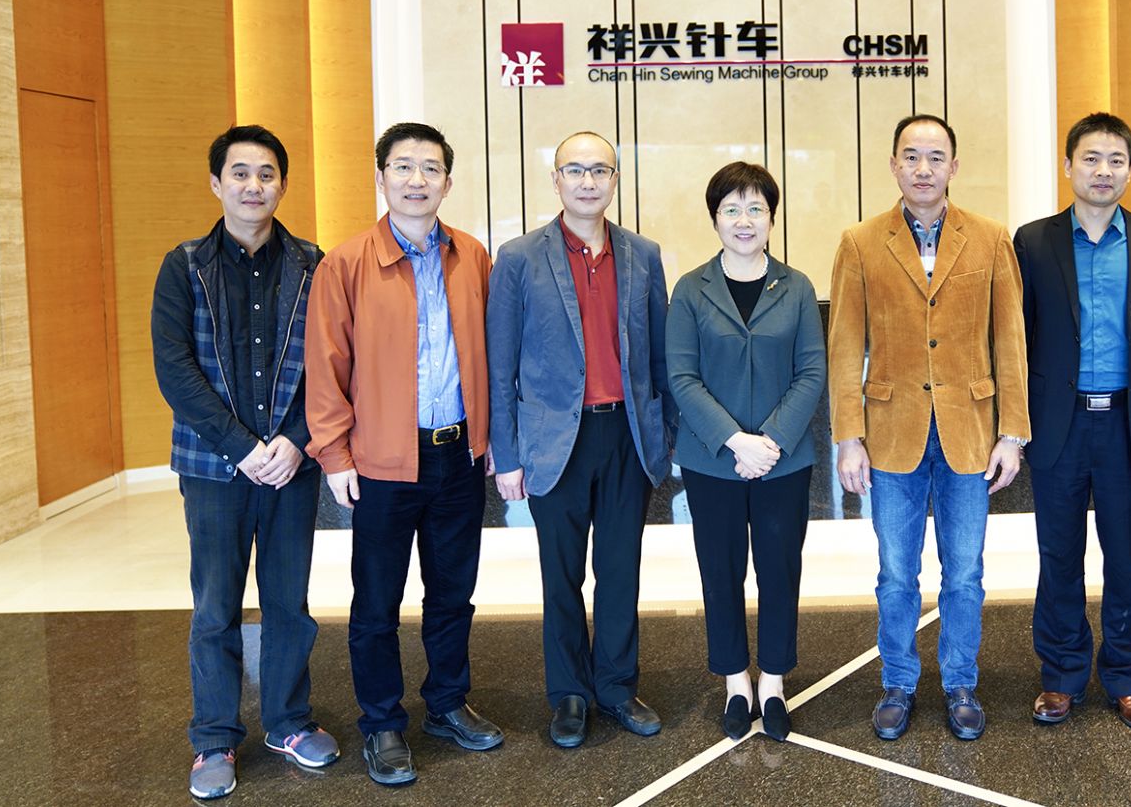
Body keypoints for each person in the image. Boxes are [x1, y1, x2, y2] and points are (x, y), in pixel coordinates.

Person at [305, 123, 502, 786]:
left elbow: (492, 355)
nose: (417, 179)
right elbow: (325, 365)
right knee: (377, 603)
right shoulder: (346, 262)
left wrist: (491, 439)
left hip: (457, 456)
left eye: (430, 168)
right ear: (381, 177)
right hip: (382, 463)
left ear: (448, 180)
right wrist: (334, 454)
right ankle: (383, 722)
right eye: (403, 166)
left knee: (452, 594)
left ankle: (446, 702)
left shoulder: (472, 256)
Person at [828, 113, 1030, 742]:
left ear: (954, 167)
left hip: (971, 431)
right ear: (893, 165)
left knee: (964, 572)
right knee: (896, 573)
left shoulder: (991, 238)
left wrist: (1013, 433)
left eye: (935, 157)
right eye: (911, 156)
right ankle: (897, 682)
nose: (923, 168)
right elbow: (844, 345)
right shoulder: (861, 242)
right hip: (892, 432)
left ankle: (961, 683)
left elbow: (1010, 339)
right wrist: (848, 436)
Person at [151, 125, 337, 800]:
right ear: (216, 183)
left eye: (266, 174)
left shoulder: (314, 263)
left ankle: (288, 722)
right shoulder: (185, 265)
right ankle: (214, 737)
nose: (253, 185)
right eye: (240, 173)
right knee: (215, 607)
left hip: (291, 465)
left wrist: (295, 440)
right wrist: (242, 447)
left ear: (282, 184)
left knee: (289, 601)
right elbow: (175, 369)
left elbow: (331, 362)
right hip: (213, 468)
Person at [486, 131, 676, 749]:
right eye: (575, 170)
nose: (588, 181)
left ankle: (616, 687)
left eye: (600, 170)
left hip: (627, 435)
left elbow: (661, 355)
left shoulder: (643, 254)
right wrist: (507, 455)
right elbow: (499, 367)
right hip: (554, 443)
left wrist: (665, 435)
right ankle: (569, 693)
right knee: (561, 575)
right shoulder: (518, 258)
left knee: (620, 571)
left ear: (615, 180)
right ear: (556, 179)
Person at [1011, 112, 1131, 733]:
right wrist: (1014, 422)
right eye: (1090, 158)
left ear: (1130, 170)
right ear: (1068, 166)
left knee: (1127, 555)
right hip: (1057, 425)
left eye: (1116, 160)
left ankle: (1126, 676)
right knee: (1058, 554)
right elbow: (1016, 338)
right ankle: (1061, 675)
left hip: (1127, 424)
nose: (1103, 170)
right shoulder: (1033, 242)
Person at [666, 162, 826, 742]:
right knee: (721, 571)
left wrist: (771, 441)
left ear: (772, 219)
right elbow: (681, 377)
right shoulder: (691, 289)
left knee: (780, 571)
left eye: (756, 208)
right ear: (715, 219)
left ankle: (775, 683)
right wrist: (736, 441)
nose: (744, 220)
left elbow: (812, 372)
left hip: (784, 461)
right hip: (713, 461)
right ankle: (736, 683)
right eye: (731, 209)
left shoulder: (797, 287)